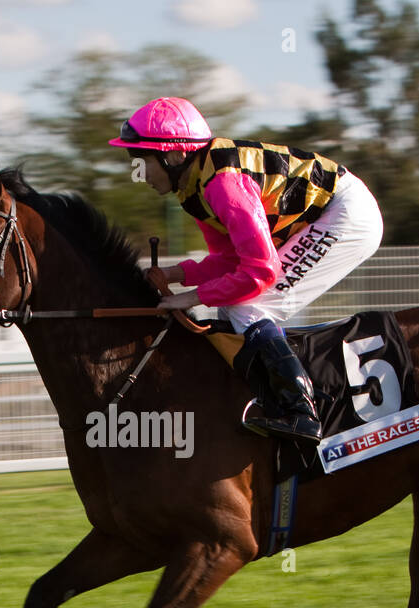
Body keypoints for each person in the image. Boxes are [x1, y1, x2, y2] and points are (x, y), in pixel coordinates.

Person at [110, 96, 384, 445]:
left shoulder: (222, 185)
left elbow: (261, 270)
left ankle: (302, 412)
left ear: (174, 154)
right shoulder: (193, 187)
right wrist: (175, 275)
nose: (140, 173)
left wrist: (191, 297)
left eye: (142, 160)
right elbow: (230, 262)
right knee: (234, 304)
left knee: (249, 305)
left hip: (347, 215)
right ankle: (266, 397)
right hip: (332, 212)